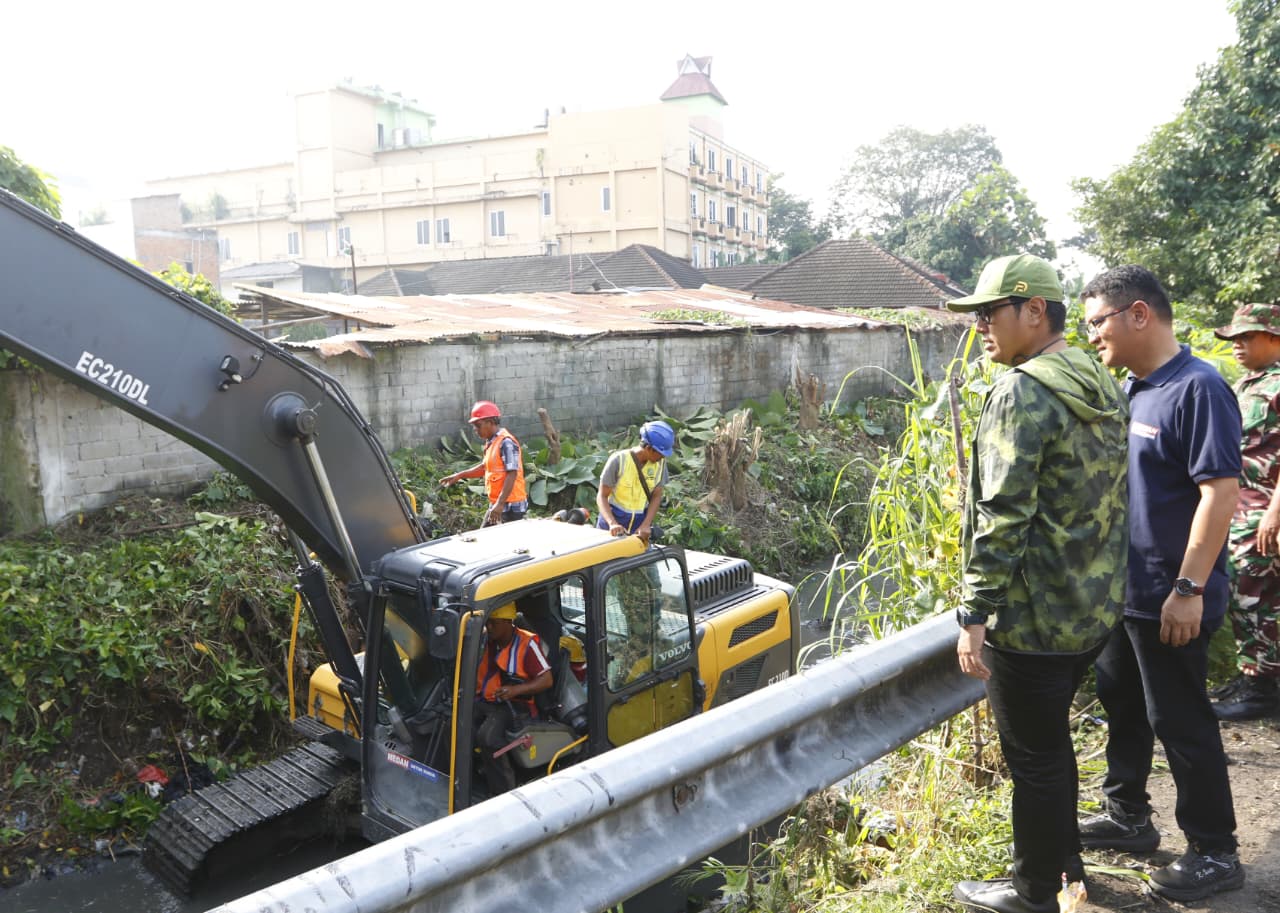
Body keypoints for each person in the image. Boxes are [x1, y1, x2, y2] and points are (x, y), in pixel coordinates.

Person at [946, 254, 1129, 913]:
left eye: (989, 314)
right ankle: (1065, 874)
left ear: (1034, 311)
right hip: (1091, 611)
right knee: (1052, 749)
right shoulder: (1097, 379)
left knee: (1034, 761)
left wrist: (975, 613)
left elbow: (1003, 515)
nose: (981, 329)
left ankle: (1032, 894)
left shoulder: (1021, 391)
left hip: (1032, 620)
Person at [1078, 265, 1244, 902]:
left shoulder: (1198, 388)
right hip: (1130, 589)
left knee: (1178, 717)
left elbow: (1220, 495)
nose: (1093, 335)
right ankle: (1129, 817)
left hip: (1172, 592)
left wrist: (1188, 588)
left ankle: (1215, 849)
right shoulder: (1136, 386)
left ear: (1138, 314)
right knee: (1122, 701)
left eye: (1098, 322)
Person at [1211, 302, 1280, 720]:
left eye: (1247, 336)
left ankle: (1264, 688)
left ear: (1274, 337)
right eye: (1233, 338)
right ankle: (1253, 673)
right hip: (1241, 506)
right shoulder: (1249, 384)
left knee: (1259, 597)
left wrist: (1275, 511)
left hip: (1265, 510)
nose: (1237, 344)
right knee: (1243, 593)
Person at [473, 602, 552, 794]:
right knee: (453, 722)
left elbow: (547, 680)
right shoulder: (484, 640)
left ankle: (502, 792)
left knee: (489, 737)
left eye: (494, 623)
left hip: (516, 705)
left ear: (508, 622)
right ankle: (467, 779)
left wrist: (515, 690)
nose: (488, 627)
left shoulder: (527, 643)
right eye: (487, 622)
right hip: (486, 700)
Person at [440, 400, 528, 526]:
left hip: (511, 507)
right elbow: (484, 468)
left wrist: (500, 504)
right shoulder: (492, 442)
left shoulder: (506, 443)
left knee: (507, 543)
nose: (475, 429)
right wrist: (459, 475)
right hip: (499, 504)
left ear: (490, 422)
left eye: (478, 425)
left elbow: (512, 473)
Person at [596, 420, 675, 543]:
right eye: (661, 454)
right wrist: (612, 524)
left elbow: (657, 495)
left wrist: (646, 524)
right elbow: (602, 496)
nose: (663, 457)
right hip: (611, 523)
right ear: (649, 448)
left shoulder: (660, 465)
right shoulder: (618, 460)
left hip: (638, 525)